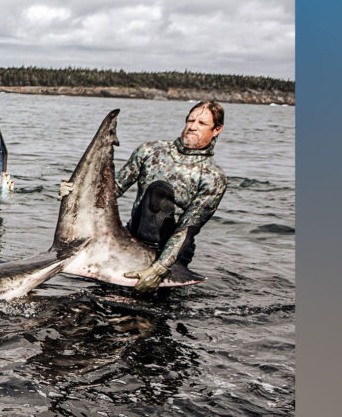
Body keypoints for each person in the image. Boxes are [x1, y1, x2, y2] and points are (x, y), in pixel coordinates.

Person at [61, 101, 228, 292]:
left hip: (171, 255)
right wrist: (76, 194)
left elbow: (187, 230)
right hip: (129, 242)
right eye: (190, 120)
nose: (192, 126)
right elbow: (112, 191)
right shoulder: (150, 151)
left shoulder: (213, 177)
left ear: (217, 129)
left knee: (148, 316)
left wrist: (159, 269)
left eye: (202, 123)